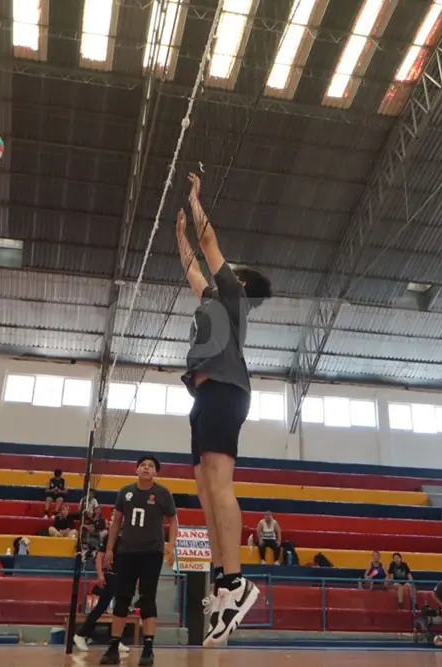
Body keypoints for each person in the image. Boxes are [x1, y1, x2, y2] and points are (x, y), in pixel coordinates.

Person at [176, 172, 272, 647]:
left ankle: (237, 581)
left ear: (241, 281)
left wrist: (196, 201)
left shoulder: (233, 295)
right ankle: (222, 581)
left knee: (219, 483)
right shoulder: (212, 299)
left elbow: (209, 241)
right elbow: (192, 266)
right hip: (204, 396)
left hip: (226, 389)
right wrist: (179, 236)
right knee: (204, 491)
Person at [99, 456, 178, 666]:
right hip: (126, 552)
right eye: (143, 465)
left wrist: (171, 545)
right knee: (122, 598)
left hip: (151, 553)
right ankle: (113, 647)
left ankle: (148, 649)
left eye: (151, 466)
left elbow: (173, 520)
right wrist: (109, 549)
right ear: (136, 470)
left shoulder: (162, 493)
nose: (146, 468)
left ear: (155, 473)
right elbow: (116, 522)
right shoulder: (125, 492)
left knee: (147, 598)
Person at [72, 530, 129, 656]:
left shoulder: (129, 538)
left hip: (122, 576)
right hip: (111, 574)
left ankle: (115, 638)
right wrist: (100, 575)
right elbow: (100, 556)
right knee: (104, 606)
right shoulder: (111, 537)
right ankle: (81, 634)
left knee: (116, 607)